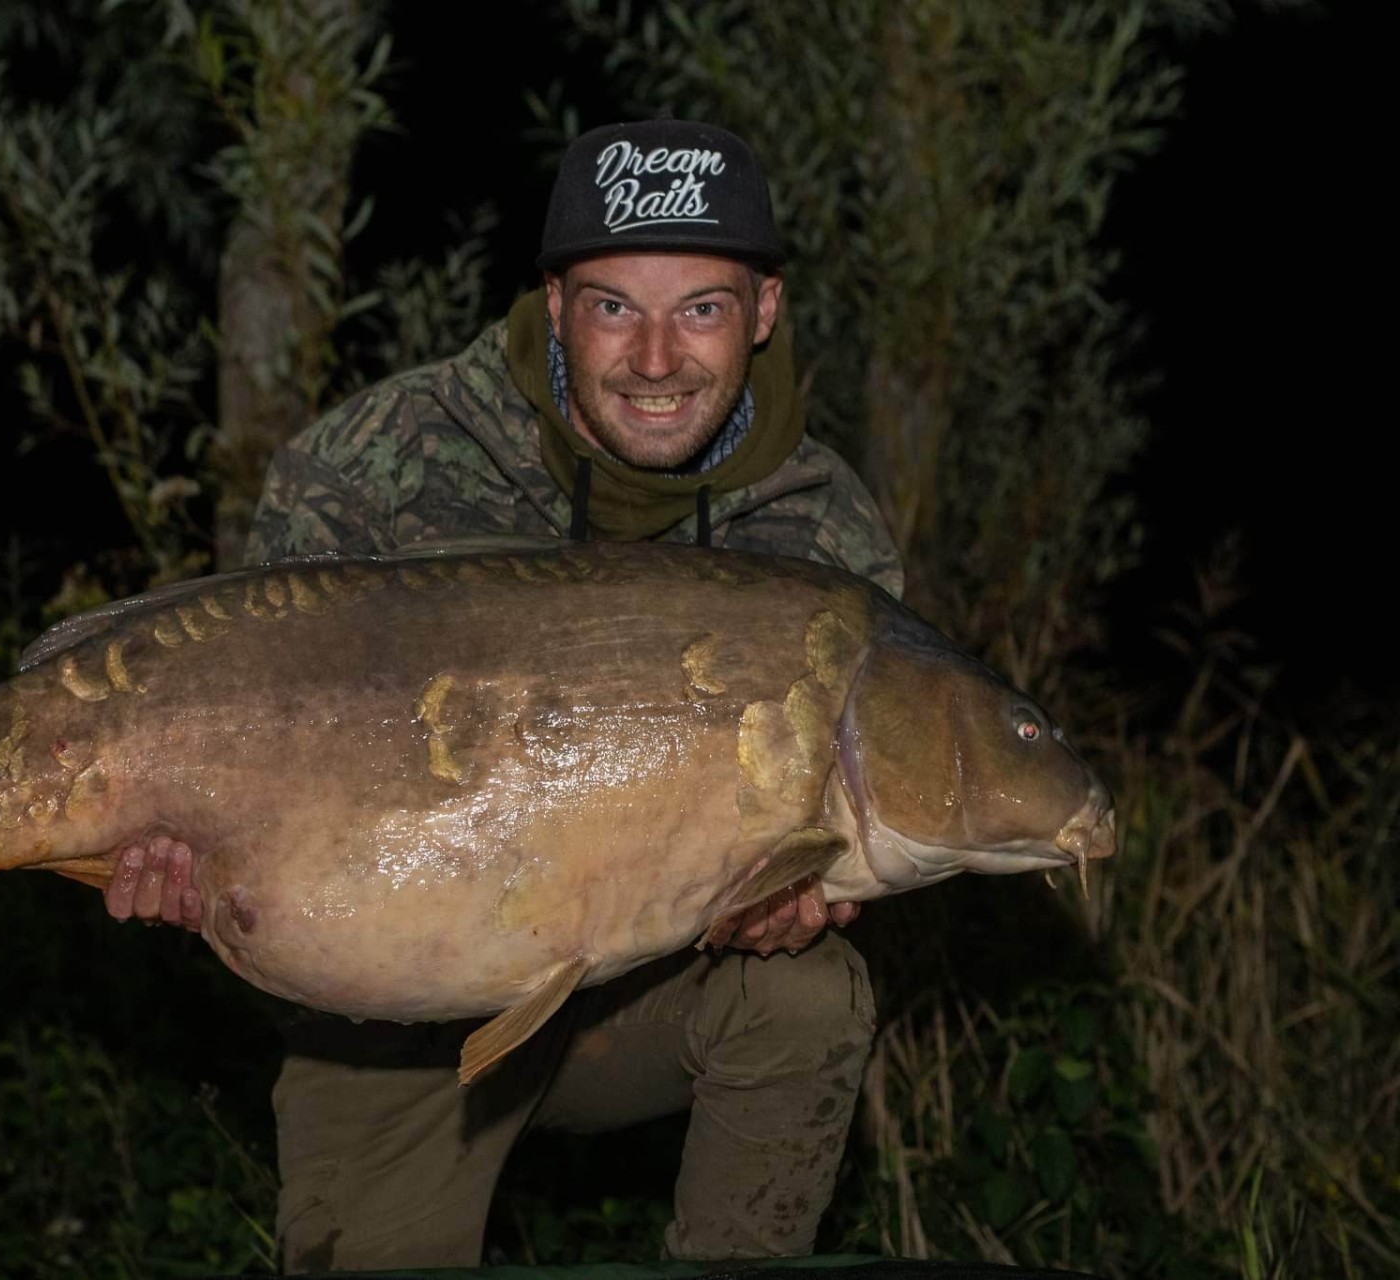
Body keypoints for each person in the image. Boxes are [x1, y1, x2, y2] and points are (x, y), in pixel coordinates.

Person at [106, 119, 904, 1271]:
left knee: (808, 997)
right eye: (615, 305)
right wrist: (196, 859)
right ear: (553, 301)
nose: (657, 356)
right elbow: (241, 716)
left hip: (648, 981)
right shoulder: (377, 461)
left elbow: (852, 816)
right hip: (391, 1003)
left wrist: (792, 896)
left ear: (766, 310)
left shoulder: (821, 531)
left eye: (704, 307)